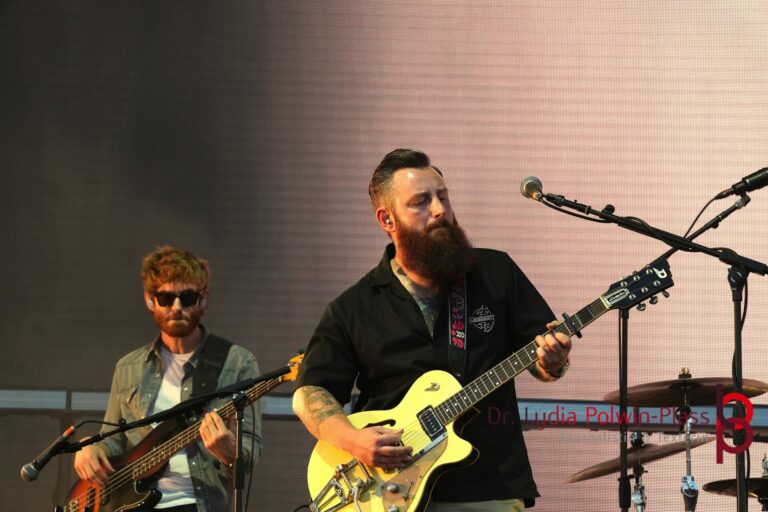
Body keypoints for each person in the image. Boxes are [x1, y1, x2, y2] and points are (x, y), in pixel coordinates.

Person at [292, 149, 572, 511]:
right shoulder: (354, 306)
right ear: (387, 219)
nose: (439, 210)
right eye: (421, 201)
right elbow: (310, 391)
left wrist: (554, 361)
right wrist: (352, 440)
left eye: (443, 196)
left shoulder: (495, 272)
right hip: (387, 491)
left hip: (487, 485)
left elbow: (543, 362)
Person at [74, 246, 262, 512]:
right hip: (131, 505)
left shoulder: (237, 362)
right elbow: (113, 440)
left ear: (204, 299)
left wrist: (229, 451)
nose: (176, 307)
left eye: (187, 298)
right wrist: (90, 448)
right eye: (165, 298)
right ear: (150, 300)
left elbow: (249, 451)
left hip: (200, 504)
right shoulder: (128, 367)